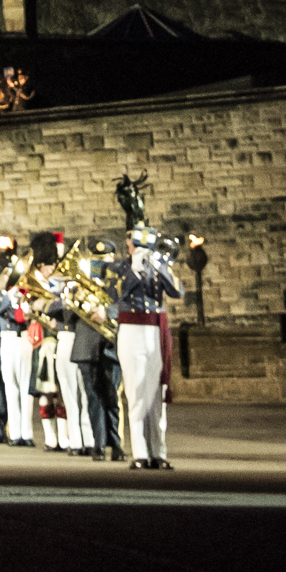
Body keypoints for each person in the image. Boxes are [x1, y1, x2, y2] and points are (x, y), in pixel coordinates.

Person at [115, 202, 178, 471]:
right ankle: (140, 453)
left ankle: (159, 453)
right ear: (129, 244)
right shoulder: (120, 268)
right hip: (130, 330)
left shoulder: (158, 266)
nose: (139, 248)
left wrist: (159, 267)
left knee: (156, 393)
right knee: (136, 391)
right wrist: (135, 270)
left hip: (154, 330)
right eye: (135, 243)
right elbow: (114, 295)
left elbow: (177, 292)